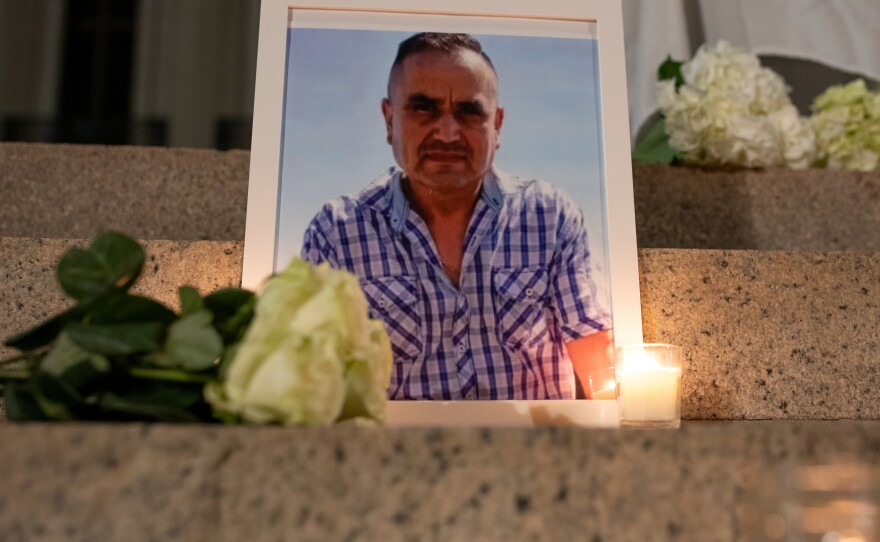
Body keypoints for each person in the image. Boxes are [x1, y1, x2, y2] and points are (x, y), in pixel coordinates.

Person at [301, 32, 612, 400]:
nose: (448, 133)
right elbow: (312, 381)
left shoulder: (551, 218)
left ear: (497, 125)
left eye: (469, 111)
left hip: (534, 437)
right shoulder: (337, 234)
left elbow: (598, 362)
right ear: (389, 120)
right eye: (423, 108)